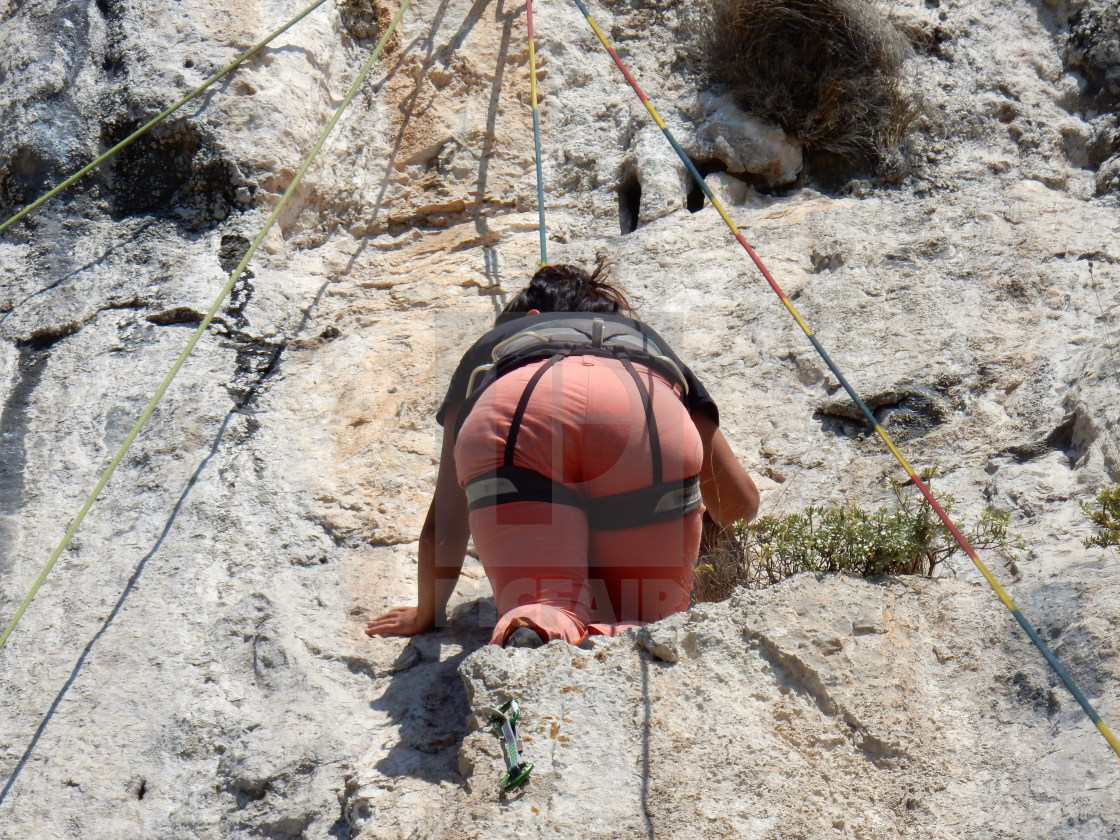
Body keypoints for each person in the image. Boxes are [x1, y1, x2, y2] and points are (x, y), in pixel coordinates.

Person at [365, 260, 759, 647]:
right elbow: (737, 503)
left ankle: (538, 623)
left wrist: (426, 613)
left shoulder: (494, 351)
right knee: (648, 618)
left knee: (540, 603)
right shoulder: (647, 343)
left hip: (518, 410)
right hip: (646, 411)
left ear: (531, 317)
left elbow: (446, 526)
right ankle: (637, 636)